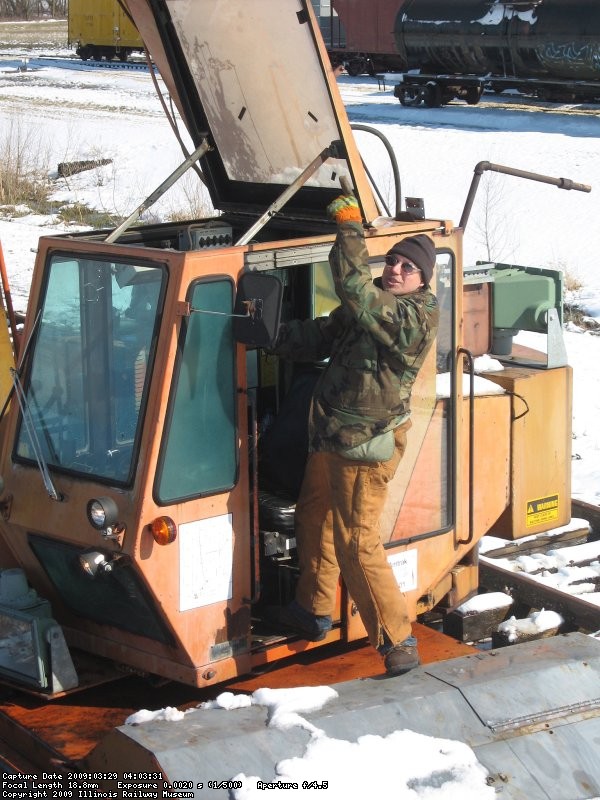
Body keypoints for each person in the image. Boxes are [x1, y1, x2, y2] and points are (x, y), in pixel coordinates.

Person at [268, 194, 439, 675]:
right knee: (313, 516)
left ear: (424, 279)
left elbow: (353, 288)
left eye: (409, 267)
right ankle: (312, 609)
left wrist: (348, 230)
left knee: (356, 543)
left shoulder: (413, 317)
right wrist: (270, 337)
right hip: (333, 435)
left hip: (367, 445)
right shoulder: (374, 309)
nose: (397, 270)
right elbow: (323, 334)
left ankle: (396, 641)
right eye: (394, 260)